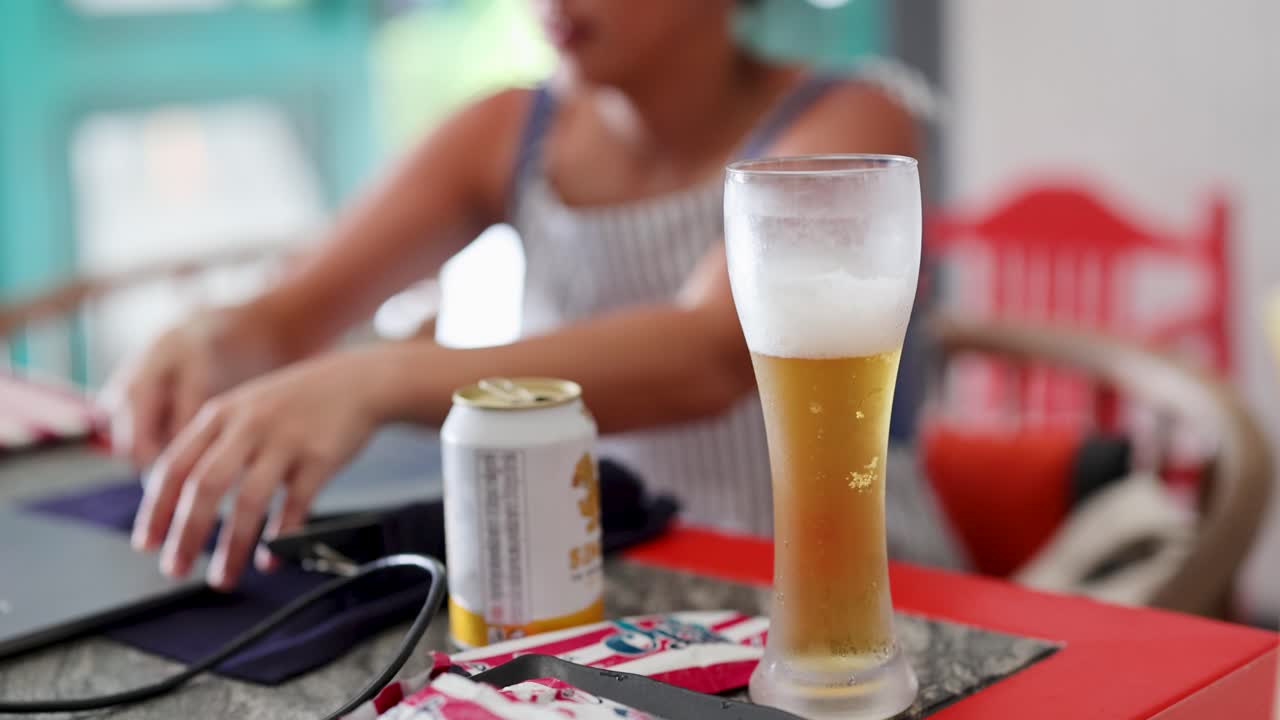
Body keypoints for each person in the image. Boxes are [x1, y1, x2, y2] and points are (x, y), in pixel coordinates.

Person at [108, 0, 938, 591]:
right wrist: (213, 336)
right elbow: (291, 313)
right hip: (601, 579)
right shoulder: (506, 130)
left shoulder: (851, 119)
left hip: (841, 586)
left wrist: (382, 378)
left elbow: (713, 352)